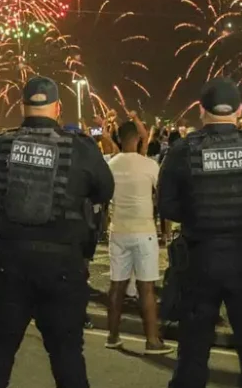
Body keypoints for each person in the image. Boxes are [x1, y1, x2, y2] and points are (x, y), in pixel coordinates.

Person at [0, 76, 114, 388]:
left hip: (10, 263)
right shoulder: (81, 148)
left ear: (23, 107)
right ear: (58, 107)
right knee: (67, 360)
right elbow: (105, 190)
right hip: (63, 266)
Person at [159, 78, 242, 388]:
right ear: (240, 110)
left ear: (202, 110)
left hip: (199, 256)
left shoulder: (182, 150)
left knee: (192, 350)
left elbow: (168, 207)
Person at [105, 118, 171, 354]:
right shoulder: (149, 166)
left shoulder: (110, 165)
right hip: (144, 231)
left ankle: (112, 336)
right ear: (137, 139)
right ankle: (152, 340)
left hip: (118, 230)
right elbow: (162, 196)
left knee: (117, 285)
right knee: (146, 288)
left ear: (119, 139)